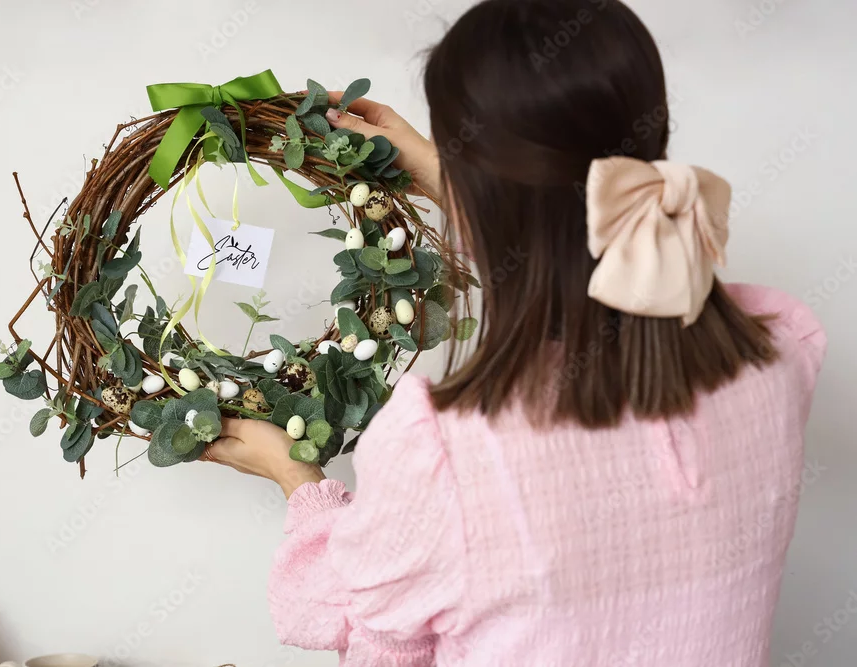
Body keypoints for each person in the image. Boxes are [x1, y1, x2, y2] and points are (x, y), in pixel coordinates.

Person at [203, 0, 827, 664]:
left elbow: (349, 621)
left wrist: (294, 474)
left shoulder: (448, 453)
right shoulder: (781, 355)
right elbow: (577, 239)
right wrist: (468, 185)